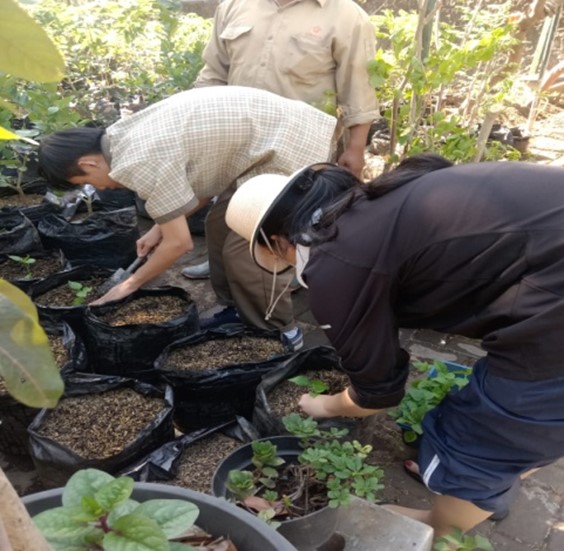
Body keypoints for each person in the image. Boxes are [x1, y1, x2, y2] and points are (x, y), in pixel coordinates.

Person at [224, 153, 564, 537]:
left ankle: (446, 523)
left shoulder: (335, 264)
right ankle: (492, 479)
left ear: (276, 241)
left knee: (484, 434)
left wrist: (321, 404)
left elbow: (378, 395)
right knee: (532, 426)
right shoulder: (376, 201)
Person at [38, 85, 339, 350]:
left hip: (290, 142)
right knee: (219, 223)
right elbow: (200, 190)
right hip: (261, 146)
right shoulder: (119, 137)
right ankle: (238, 308)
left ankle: (283, 331)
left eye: (87, 182)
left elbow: (180, 244)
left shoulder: (136, 160)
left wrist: (130, 283)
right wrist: (159, 227)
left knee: (250, 248)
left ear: (87, 162)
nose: (99, 188)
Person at [181, 0, 379, 280]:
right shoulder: (235, 5)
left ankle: (273, 289)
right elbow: (213, 73)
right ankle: (226, 281)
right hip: (238, 139)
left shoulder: (346, 15)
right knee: (219, 222)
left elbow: (358, 88)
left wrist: (356, 147)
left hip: (297, 146)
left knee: (264, 233)